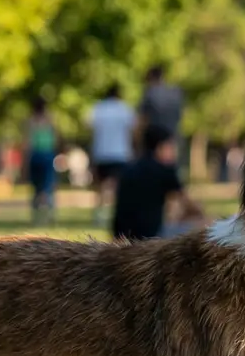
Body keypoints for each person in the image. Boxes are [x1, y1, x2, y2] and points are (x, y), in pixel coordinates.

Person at [111, 124, 204, 242]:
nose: (173, 151)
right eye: (170, 146)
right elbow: (189, 203)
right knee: (204, 227)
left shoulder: (128, 169)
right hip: (152, 236)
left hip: (125, 237)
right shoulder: (164, 170)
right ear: (161, 146)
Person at [87, 85, 137, 221]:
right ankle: (118, 213)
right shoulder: (125, 109)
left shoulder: (98, 108)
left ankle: (99, 213)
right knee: (119, 187)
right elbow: (133, 131)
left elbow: (91, 131)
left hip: (102, 152)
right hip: (121, 153)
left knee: (101, 186)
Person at [24, 97, 59, 226]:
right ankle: (48, 215)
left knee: (37, 188)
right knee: (48, 186)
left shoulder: (32, 121)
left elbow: (28, 142)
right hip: (47, 156)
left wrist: (26, 161)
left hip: (35, 156)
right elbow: (55, 140)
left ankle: (37, 218)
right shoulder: (50, 120)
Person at [138, 66, 184, 147]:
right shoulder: (176, 93)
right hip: (172, 139)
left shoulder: (150, 93)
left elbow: (143, 119)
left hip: (154, 141)